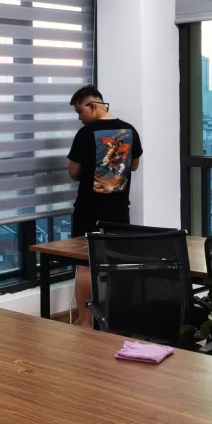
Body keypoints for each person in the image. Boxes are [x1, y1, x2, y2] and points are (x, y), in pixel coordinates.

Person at [66, 85, 141, 327]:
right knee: (117, 264)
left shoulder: (85, 134)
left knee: (85, 264)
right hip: (118, 210)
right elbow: (134, 165)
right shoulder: (129, 130)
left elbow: (73, 172)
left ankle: (84, 321)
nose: (79, 118)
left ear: (92, 106)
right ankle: (117, 319)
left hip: (88, 209)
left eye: (80, 111)